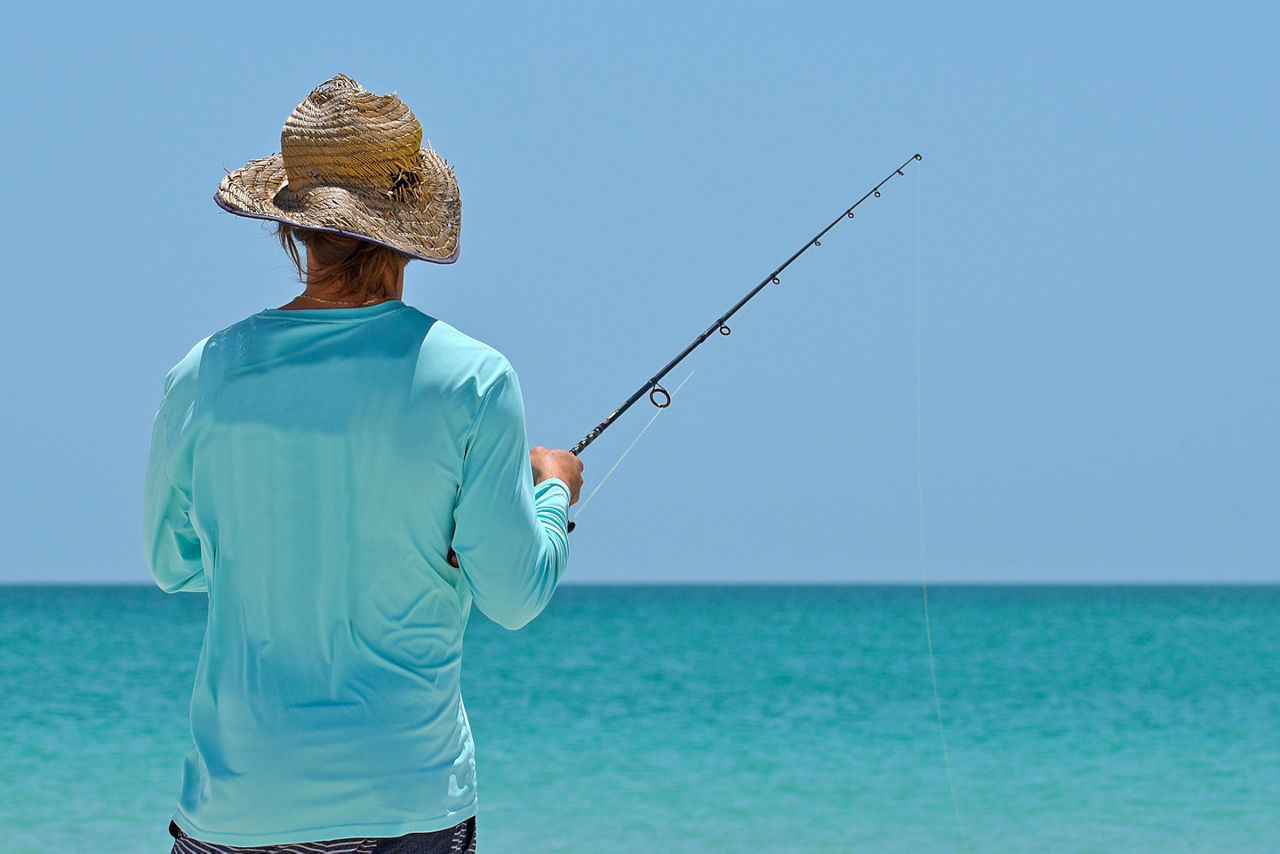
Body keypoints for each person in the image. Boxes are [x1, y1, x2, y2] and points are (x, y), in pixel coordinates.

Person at [144, 74, 583, 854]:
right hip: (404, 803)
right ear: (409, 228)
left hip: (234, 807)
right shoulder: (474, 379)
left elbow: (174, 564)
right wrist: (553, 495)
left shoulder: (203, 373)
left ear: (294, 228)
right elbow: (515, 596)